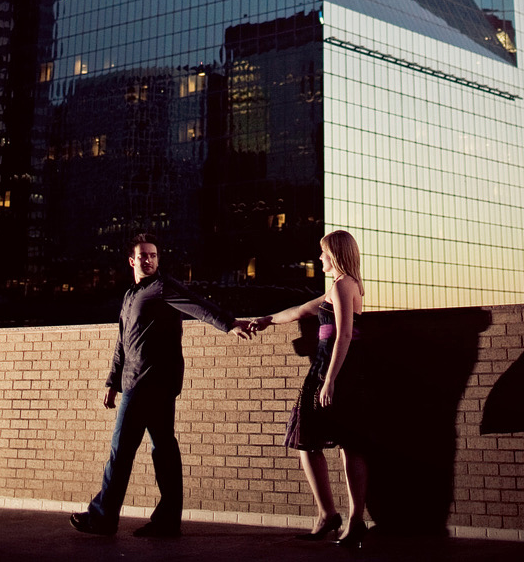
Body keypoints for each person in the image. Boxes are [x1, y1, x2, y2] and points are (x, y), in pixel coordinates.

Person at [70, 233, 252, 538]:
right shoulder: (130, 297)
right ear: (132, 260)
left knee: (122, 451)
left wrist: (228, 323)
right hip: (136, 382)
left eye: (153, 255)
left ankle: (102, 518)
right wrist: (112, 382)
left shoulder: (162, 286)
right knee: (163, 450)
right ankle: (167, 521)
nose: (149, 260)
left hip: (150, 384)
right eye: (143, 255)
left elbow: (197, 304)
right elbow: (122, 343)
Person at [252, 230, 369, 548]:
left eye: (323, 253)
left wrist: (329, 379)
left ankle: (339, 517)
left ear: (336, 254)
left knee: (320, 441)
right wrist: (267, 320)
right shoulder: (342, 286)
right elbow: (302, 310)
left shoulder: (344, 285)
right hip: (338, 373)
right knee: (344, 444)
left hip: (330, 373)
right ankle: (339, 517)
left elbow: (344, 335)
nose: (319, 259)